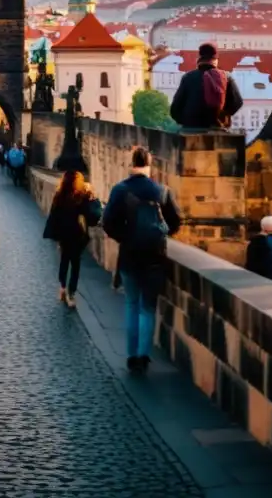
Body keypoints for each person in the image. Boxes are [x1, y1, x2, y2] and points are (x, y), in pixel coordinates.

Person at [102, 146, 181, 373]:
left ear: (131, 164)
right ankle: (143, 355)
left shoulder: (120, 190)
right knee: (148, 308)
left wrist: (125, 237)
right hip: (155, 255)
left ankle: (131, 355)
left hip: (129, 254)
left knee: (131, 304)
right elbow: (175, 222)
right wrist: (160, 235)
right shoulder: (162, 190)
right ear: (150, 165)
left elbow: (107, 222)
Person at [43, 170, 102, 308]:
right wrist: (92, 197)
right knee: (75, 264)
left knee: (65, 260)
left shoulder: (60, 195)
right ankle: (71, 293)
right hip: (77, 235)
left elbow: (54, 216)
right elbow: (92, 215)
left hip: (64, 235)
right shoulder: (81, 196)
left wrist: (55, 236)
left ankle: (63, 287)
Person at [169, 42, 244, 129]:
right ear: (215, 60)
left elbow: (175, 109)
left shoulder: (188, 77)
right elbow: (238, 102)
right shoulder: (226, 78)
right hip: (217, 130)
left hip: (191, 130)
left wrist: (186, 121)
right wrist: (222, 116)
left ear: (199, 59)